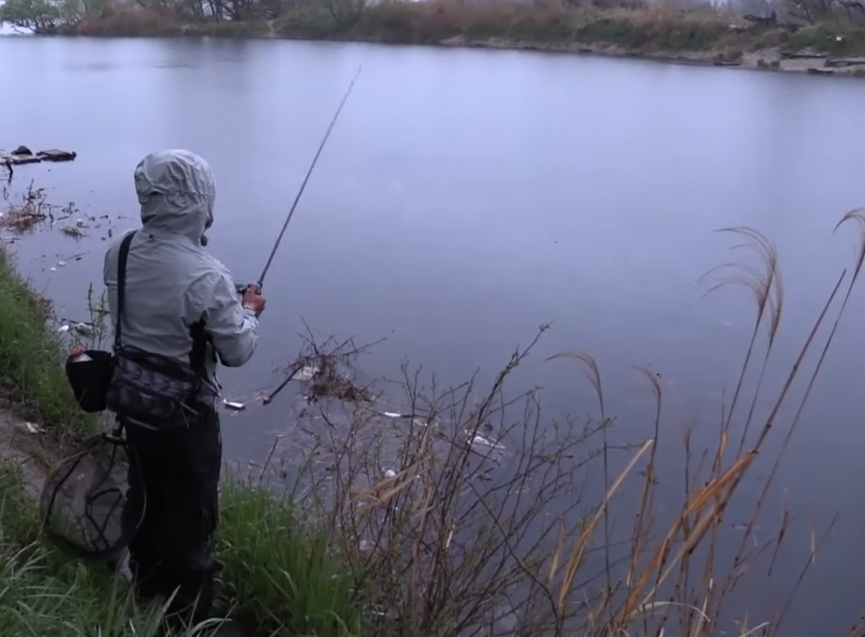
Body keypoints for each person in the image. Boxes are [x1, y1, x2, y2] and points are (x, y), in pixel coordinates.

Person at [103, 149, 266, 631]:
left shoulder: (122, 249)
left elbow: (156, 308)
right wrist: (249, 310)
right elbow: (236, 351)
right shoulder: (208, 273)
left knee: (145, 490)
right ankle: (191, 616)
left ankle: (147, 581)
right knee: (192, 511)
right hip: (185, 418)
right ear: (198, 201)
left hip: (131, 401)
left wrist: (220, 306)